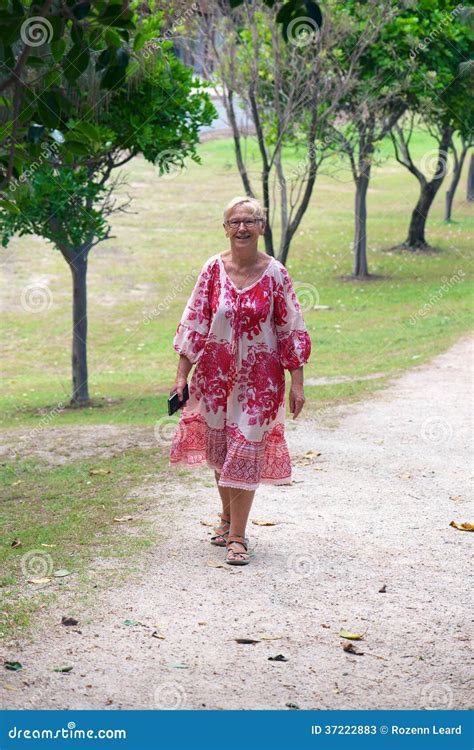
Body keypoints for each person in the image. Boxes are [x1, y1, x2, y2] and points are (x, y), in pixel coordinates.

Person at [169, 196, 311, 566]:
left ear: (262, 227)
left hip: (260, 384)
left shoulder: (276, 274)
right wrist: (181, 375)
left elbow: (290, 328)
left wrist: (297, 382)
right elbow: (195, 320)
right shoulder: (212, 270)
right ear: (226, 228)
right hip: (215, 379)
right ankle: (226, 516)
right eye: (235, 222)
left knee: (244, 450)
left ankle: (237, 537)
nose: (243, 228)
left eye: (250, 221)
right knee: (221, 452)